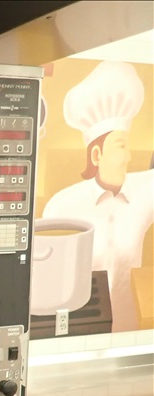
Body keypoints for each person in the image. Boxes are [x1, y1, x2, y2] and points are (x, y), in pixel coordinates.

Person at [42, 61, 154, 332]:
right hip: (81, 329)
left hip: (131, 332)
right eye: (120, 146)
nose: (128, 156)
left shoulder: (144, 192)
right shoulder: (62, 206)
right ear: (96, 155)